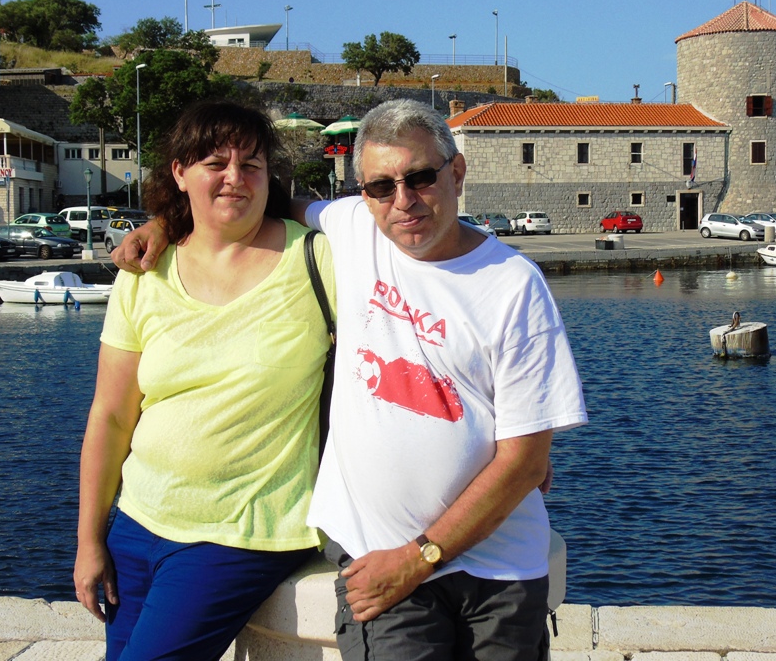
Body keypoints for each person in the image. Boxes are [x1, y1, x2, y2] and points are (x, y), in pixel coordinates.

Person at [115, 99, 586, 660]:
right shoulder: (355, 227)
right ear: (362, 194)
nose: (403, 200)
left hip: (498, 568)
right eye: (381, 186)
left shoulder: (513, 284)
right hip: (377, 555)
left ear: (456, 173)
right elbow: (255, 201)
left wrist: (420, 556)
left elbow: (525, 463)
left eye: (420, 177)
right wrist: (166, 222)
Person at [75, 100, 335, 661]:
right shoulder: (144, 272)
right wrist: (89, 540)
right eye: (215, 163)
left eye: (251, 165)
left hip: (244, 530)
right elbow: (111, 415)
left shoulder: (317, 260)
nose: (235, 178)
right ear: (179, 172)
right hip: (137, 523)